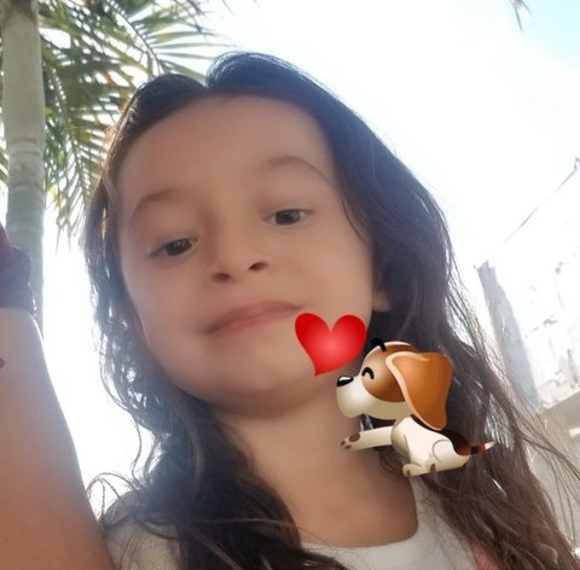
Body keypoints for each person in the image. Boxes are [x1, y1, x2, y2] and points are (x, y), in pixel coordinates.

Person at [1, 52, 579, 570]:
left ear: (382, 270)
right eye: (175, 243)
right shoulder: (129, 556)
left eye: (286, 214)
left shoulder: (495, 514)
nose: (234, 256)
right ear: (133, 324)